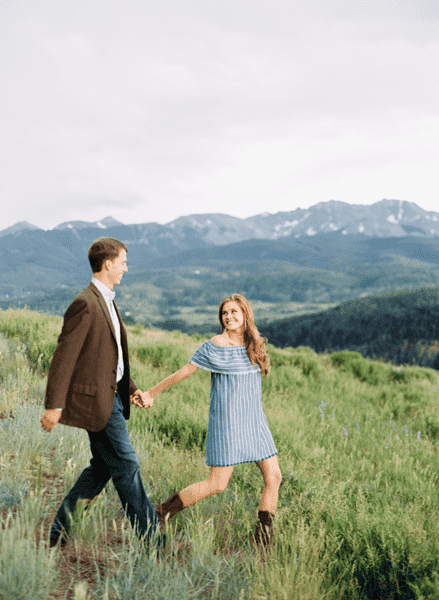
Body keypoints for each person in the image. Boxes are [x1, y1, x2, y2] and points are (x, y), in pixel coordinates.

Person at [41, 237, 163, 550]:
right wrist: (54, 405)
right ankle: (153, 543)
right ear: (107, 263)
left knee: (102, 468)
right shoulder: (86, 302)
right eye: (123, 262)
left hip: (114, 396)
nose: (126, 268)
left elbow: (110, 359)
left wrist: (131, 388)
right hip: (99, 401)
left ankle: (57, 535)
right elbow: (64, 357)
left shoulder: (106, 299)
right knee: (126, 465)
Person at [138, 294, 282, 547]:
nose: (229, 317)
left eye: (234, 312)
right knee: (217, 484)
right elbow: (184, 371)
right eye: (225, 313)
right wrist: (151, 393)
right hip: (228, 424)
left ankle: (262, 544)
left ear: (245, 314)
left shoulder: (254, 345)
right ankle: (159, 513)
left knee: (274, 477)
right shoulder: (216, 345)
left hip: (255, 423)